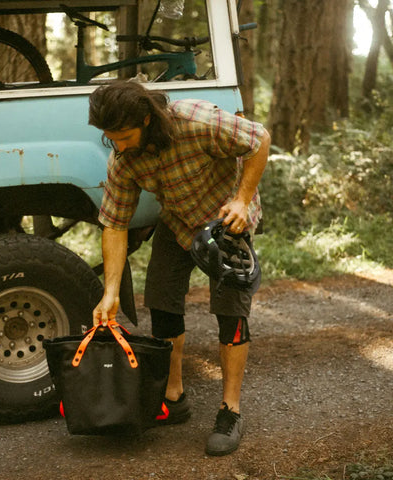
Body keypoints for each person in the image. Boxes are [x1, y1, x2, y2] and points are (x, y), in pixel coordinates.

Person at [88, 81, 270, 456]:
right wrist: (109, 293)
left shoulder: (196, 121)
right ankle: (174, 396)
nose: (118, 145)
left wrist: (241, 200)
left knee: (230, 311)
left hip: (225, 219)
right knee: (162, 300)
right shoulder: (124, 160)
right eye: (111, 138)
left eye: (123, 135)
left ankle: (230, 410)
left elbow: (259, 138)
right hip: (179, 222)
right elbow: (115, 224)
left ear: (146, 118)